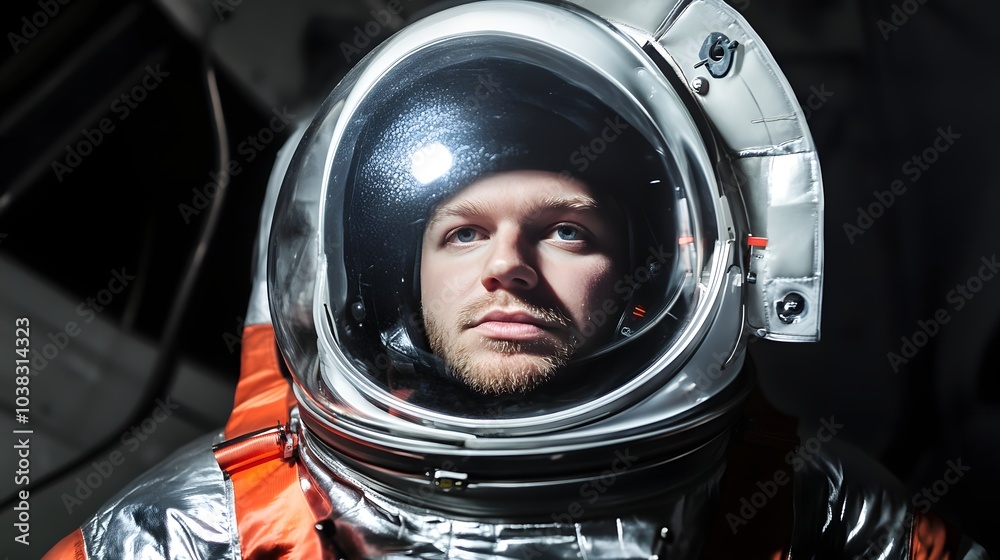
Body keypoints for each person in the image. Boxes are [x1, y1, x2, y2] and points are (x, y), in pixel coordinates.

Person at [43, 0, 990, 558]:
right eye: (461, 234)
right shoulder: (200, 529)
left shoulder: (783, 491)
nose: (508, 267)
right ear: (397, 276)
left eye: (566, 232)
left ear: (643, 275)